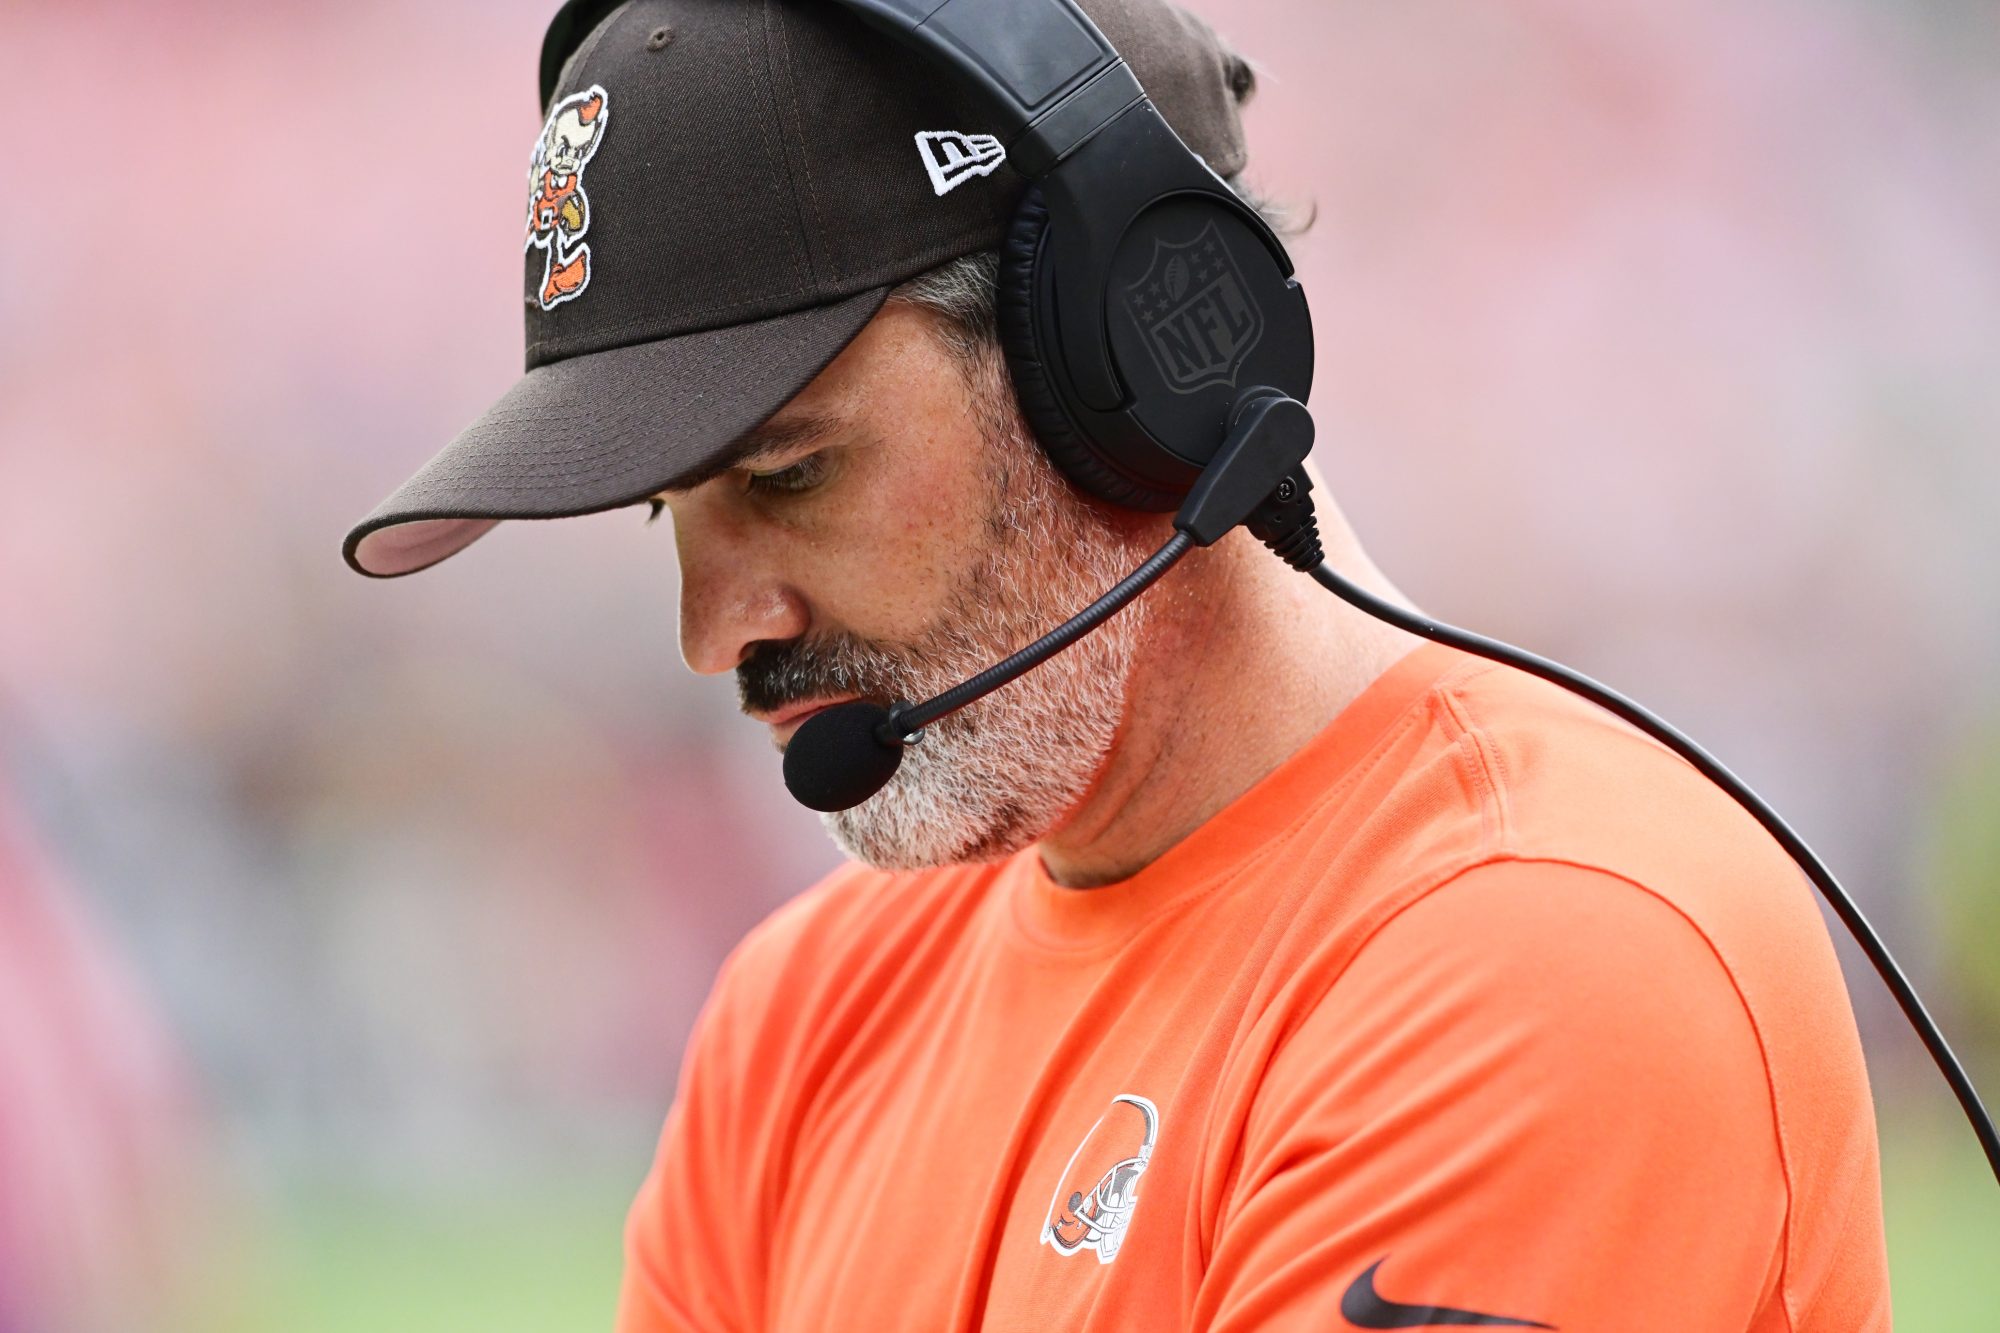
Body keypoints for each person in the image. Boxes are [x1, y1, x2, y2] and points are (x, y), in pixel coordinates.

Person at [344, 0, 1891, 1327]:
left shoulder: (1551, 951)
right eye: (671, 511)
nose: (713, 630)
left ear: (1133, 358)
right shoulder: (801, 1022)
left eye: (792, 472)